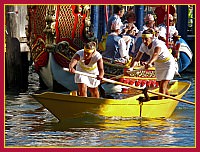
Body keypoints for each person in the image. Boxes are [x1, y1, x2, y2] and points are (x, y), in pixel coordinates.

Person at [129, 29, 176, 99]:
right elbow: (137, 59)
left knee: (163, 85)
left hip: (168, 64)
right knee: (161, 86)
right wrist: (131, 68)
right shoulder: (143, 45)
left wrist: (150, 63)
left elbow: (156, 54)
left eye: (146, 39)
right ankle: (169, 99)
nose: (144, 41)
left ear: (152, 38)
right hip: (158, 64)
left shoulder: (158, 43)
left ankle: (160, 106)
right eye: (142, 39)